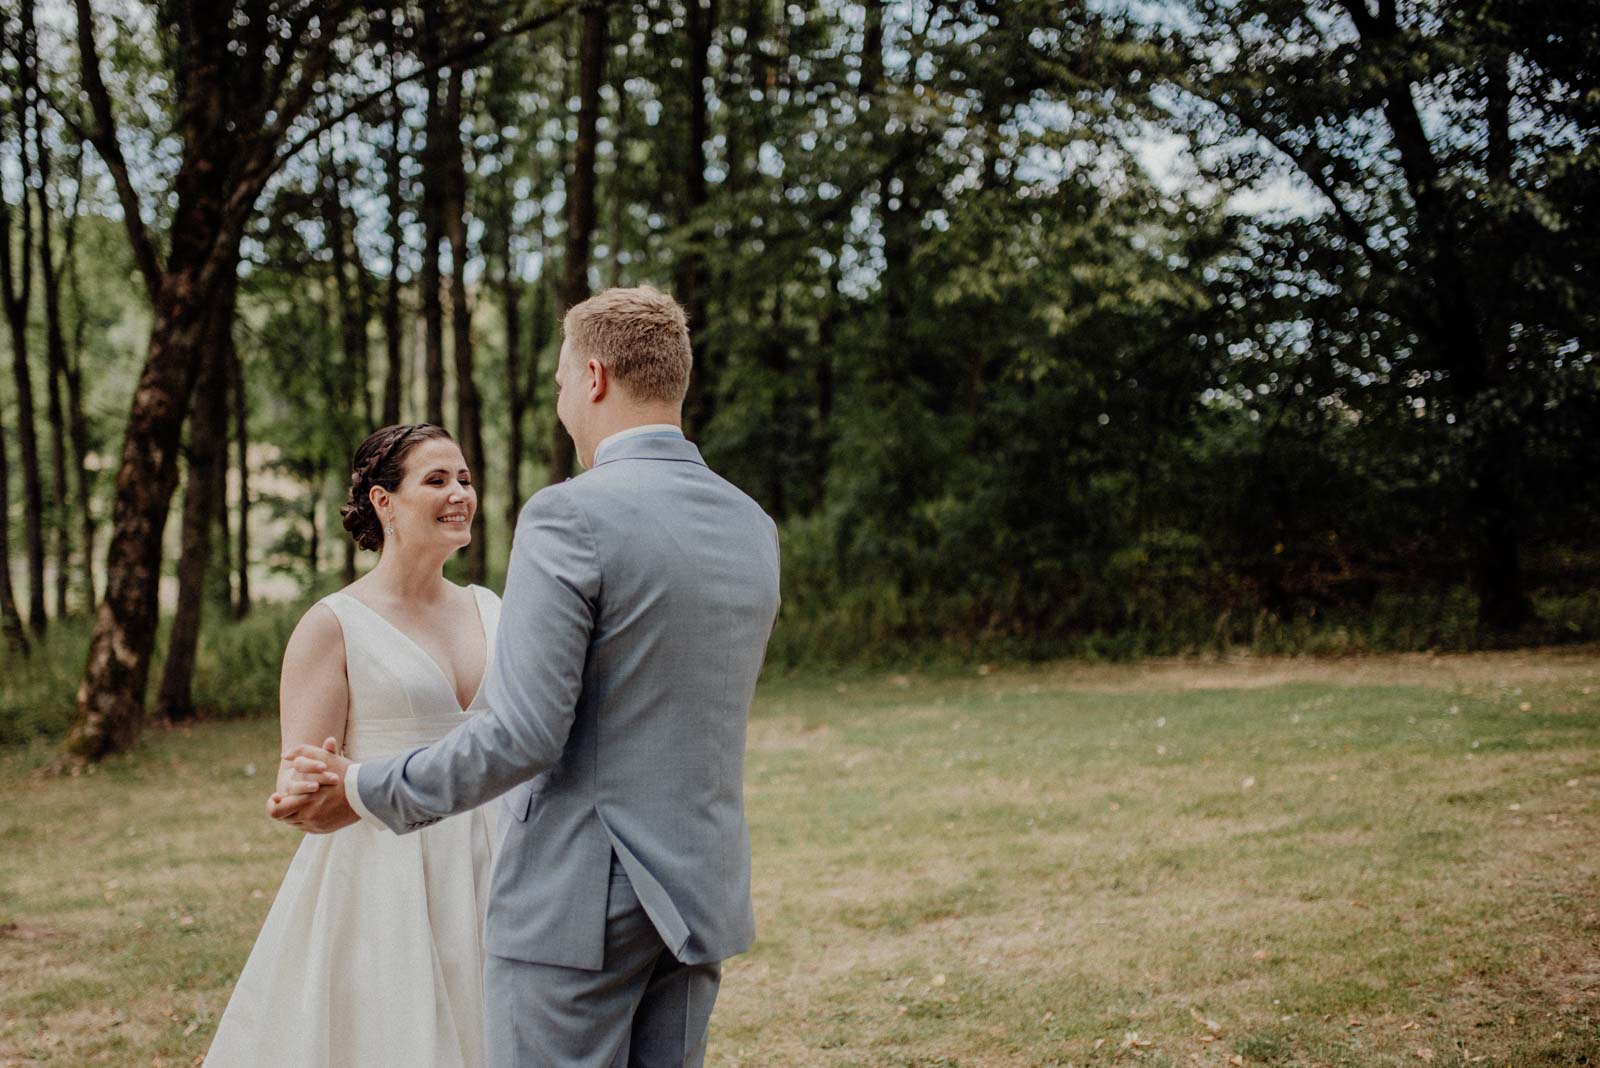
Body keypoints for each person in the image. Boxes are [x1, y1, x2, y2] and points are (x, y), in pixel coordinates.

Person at [275, 285, 782, 1068]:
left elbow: (524, 731)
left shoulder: (569, 516)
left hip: (581, 904)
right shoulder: (751, 523)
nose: (559, 403)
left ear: (593, 378)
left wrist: (363, 788)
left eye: (556, 383)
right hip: (697, 895)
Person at [207, 424, 501, 1067]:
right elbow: (301, 785)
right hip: (384, 869)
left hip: (496, 858)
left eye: (465, 479)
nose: (460, 493)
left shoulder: (493, 609)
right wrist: (313, 786)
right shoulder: (334, 624)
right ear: (382, 502)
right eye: (437, 480)